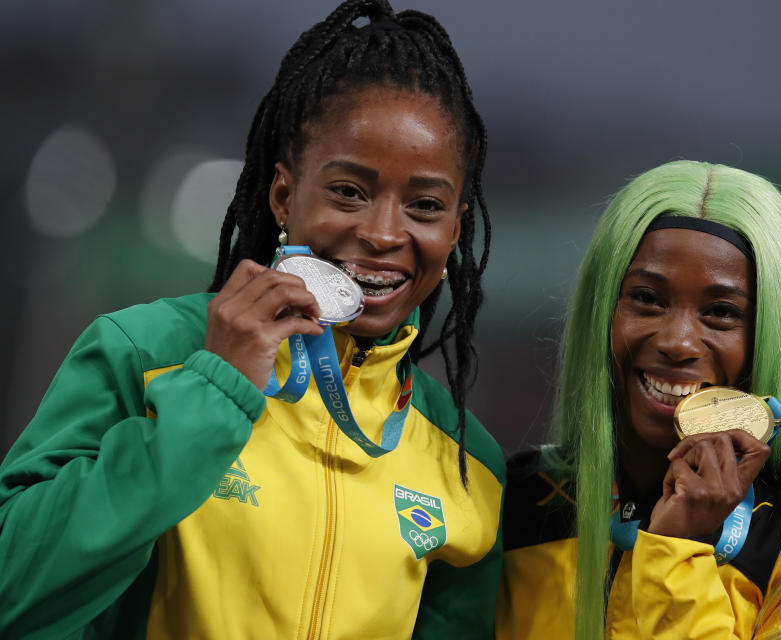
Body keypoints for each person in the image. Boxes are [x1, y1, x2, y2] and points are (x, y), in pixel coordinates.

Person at [0, 1, 505, 638]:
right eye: (348, 191)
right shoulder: (146, 352)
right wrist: (214, 390)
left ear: (455, 230)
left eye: (425, 205)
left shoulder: (468, 463)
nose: (383, 233)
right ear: (284, 195)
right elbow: (13, 589)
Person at [496, 160, 781, 639]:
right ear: (602, 310)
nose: (679, 341)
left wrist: (676, 550)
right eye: (648, 298)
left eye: (722, 312)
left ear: (773, 335)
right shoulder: (516, 503)